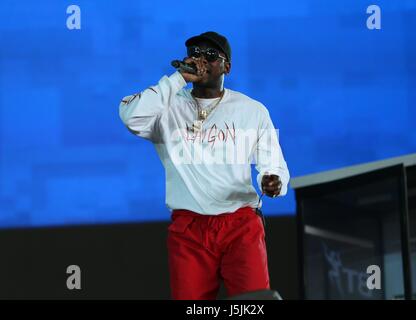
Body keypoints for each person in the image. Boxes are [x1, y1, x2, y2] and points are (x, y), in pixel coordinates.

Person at [119, 31, 290, 300]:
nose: (201, 59)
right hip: (190, 228)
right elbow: (131, 116)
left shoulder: (252, 110)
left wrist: (272, 180)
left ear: (227, 66)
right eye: (195, 53)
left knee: (254, 304)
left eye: (211, 55)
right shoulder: (167, 108)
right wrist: (178, 79)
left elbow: (274, 166)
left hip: (240, 224)